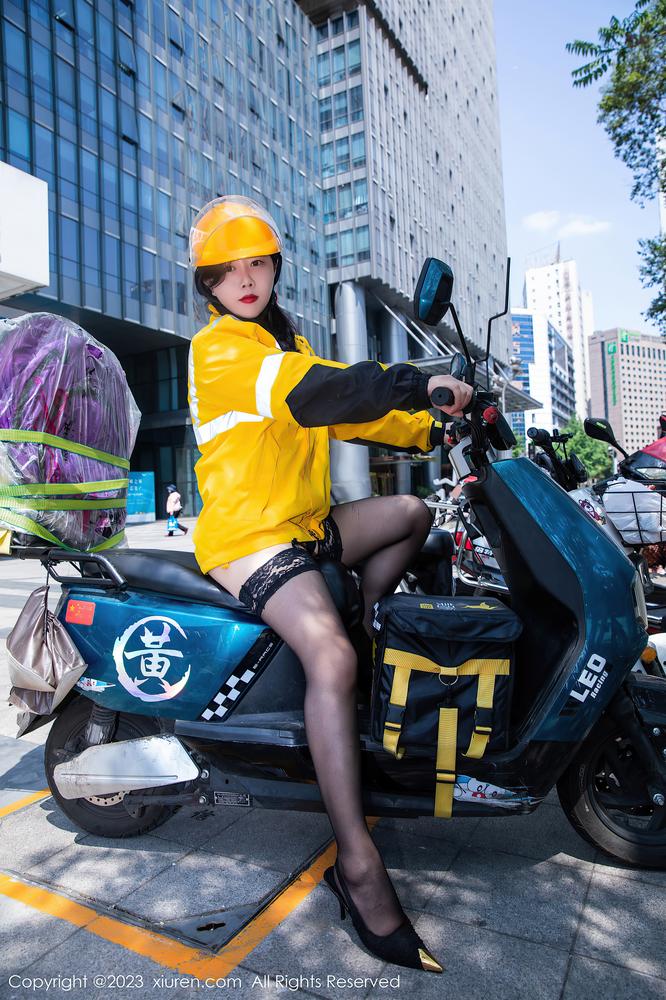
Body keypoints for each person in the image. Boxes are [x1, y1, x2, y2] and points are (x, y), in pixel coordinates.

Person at [187, 196, 473, 972]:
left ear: (274, 269)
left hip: (308, 525)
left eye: (258, 263)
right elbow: (319, 392)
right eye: (228, 270)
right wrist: (415, 382)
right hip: (249, 536)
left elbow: (354, 418)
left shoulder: (290, 344)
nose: (246, 279)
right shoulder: (221, 351)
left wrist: (433, 424)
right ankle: (357, 866)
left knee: (411, 513)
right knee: (331, 657)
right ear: (208, 283)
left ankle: (367, 623)